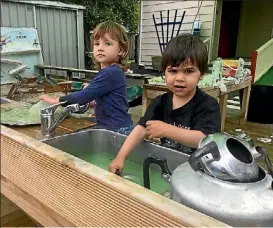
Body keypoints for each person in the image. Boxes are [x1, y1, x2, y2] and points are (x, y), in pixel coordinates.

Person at [109, 33, 221, 174]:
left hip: (197, 172)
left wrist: (167, 130)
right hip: (169, 167)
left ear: (202, 74)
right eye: (173, 71)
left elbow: (206, 140)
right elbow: (141, 129)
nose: (179, 78)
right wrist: (121, 157)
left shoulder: (208, 105)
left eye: (188, 71)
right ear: (164, 73)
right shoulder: (160, 103)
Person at [39, 21, 134, 135]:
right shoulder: (112, 71)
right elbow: (106, 97)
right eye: (97, 44)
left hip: (118, 129)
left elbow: (83, 96)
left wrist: (57, 101)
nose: (100, 48)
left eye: (107, 44)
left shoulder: (110, 72)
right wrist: (92, 95)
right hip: (116, 126)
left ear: (121, 50)